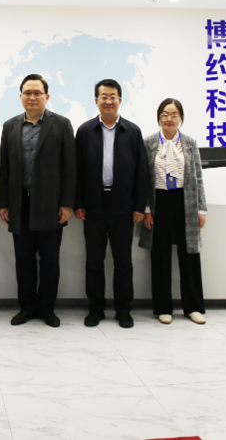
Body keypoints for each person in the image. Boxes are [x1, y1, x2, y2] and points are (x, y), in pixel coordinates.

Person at [0, 73, 77, 328]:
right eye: (27, 93)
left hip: (51, 205)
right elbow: (5, 167)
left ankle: (47, 309)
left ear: (47, 96)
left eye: (37, 93)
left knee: (50, 260)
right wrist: (4, 203)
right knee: (24, 260)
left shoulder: (62, 124)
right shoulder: (10, 126)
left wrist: (67, 203)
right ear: (21, 96)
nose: (32, 97)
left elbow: (70, 166)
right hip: (20, 204)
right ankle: (27, 307)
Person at [75, 79, 150, 328]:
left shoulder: (133, 131)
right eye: (104, 97)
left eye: (113, 96)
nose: (108, 101)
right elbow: (76, 171)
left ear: (120, 100)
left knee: (123, 262)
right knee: (94, 261)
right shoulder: (85, 131)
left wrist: (139, 206)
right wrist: (78, 203)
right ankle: (95, 309)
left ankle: (123, 310)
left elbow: (142, 173)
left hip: (123, 205)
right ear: (96, 101)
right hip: (93, 205)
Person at [138, 98, 208, 325]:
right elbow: (143, 179)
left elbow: (198, 177)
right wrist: (146, 209)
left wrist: (201, 208)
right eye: (165, 114)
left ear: (181, 118)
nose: (169, 119)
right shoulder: (148, 142)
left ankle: (193, 307)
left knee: (189, 255)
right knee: (160, 255)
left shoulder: (190, 143)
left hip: (185, 201)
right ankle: (163, 307)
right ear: (159, 117)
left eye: (174, 115)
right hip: (159, 202)